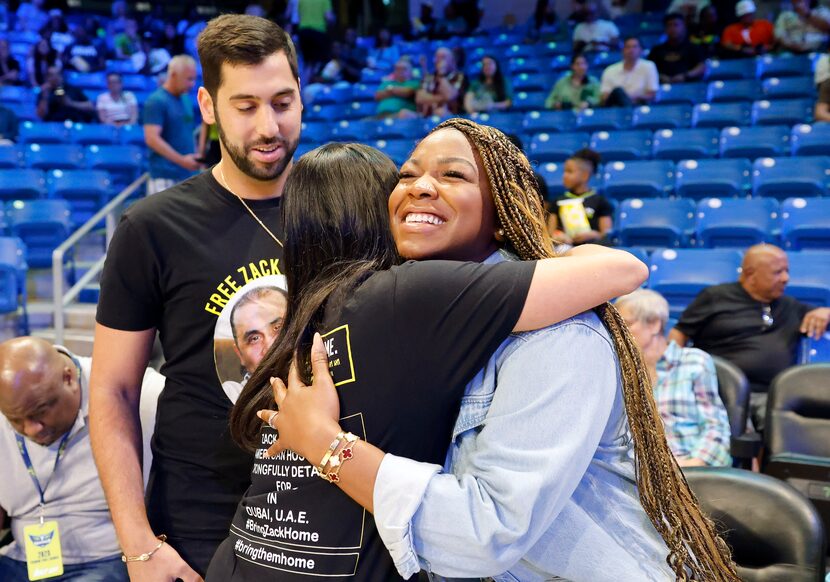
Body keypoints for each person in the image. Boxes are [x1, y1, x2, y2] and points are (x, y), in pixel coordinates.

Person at [259, 119, 739, 581]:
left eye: (453, 174)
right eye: (406, 174)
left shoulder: (557, 334)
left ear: (503, 214)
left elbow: (483, 532)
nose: (419, 186)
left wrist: (325, 446)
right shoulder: (409, 312)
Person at [89, 14, 302, 580]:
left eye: (282, 102)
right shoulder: (153, 227)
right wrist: (137, 543)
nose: (268, 126)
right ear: (208, 106)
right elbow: (111, 390)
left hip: (324, 503)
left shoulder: (341, 211)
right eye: (246, 105)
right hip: (198, 518)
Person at [0, 337, 163, 582]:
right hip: (21, 558)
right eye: (16, 420)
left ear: (68, 378)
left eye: (41, 410)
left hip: (105, 559)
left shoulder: (136, 393)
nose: (32, 429)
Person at [669, 244, 830, 431]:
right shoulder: (716, 297)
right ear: (751, 274)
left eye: (787, 271)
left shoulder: (790, 306)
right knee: (736, 429)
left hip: (772, 395)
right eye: (778, 272)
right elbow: (680, 332)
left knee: (789, 430)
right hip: (721, 390)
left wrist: (826, 311)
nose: (786, 278)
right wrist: (673, 372)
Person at [616, 289, 732, 468]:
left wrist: (694, 464)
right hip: (641, 472)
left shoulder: (694, 362)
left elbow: (715, 426)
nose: (618, 333)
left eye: (626, 324)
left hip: (693, 467)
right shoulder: (619, 369)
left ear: (654, 324)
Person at [143, 54, 200, 195]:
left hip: (187, 175)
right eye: (189, 79)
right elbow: (152, 139)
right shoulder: (156, 101)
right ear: (173, 75)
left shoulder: (186, 99)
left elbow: (188, 132)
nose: (192, 84)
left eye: (194, 79)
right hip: (164, 177)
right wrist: (181, 160)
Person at [222, 285, 287, 402]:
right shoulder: (235, 394)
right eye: (254, 338)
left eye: (278, 327)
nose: (271, 345)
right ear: (240, 355)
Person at [548, 148, 613, 245]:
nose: (564, 176)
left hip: (593, 249)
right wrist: (559, 235)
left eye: (569, 172)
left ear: (585, 176)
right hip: (566, 250)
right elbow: (550, 234)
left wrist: (594, 235)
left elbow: (606, 234)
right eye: (564, 171)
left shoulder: (600, 201)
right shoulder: (557, 201)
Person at [648, 13, 707, 84]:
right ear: (665, 29)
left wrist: (685, 76)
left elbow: (701, 67)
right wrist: (660, 76)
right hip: (662, 87)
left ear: (684, 27)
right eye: (669, 25)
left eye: (676, 25)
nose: (673, 29)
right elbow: (649, 69)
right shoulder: (657, 50)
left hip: (689, 87)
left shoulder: (694, 47)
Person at [600, 37, 659, 106]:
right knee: (618, 92)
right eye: (628, 47)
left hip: (639, 105)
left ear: (641, 50)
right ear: (622, 50)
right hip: (616, 107)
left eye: (635, 47)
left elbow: (652, 94)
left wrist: (635, 97)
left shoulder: (649, 66)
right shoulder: (610, 70)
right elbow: (604, 96)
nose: (631, 50)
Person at [415, 46, 466, 116]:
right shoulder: (429, 77)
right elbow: (419, 98)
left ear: (452, 60)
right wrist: (442, 98)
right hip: (426, 117)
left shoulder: (459, 76)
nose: (439, 60)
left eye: (443, 57)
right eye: (437, 57)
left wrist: (441, 74)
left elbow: (450, 96)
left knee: (440, 112)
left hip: (452, 118)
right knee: (404, 114)